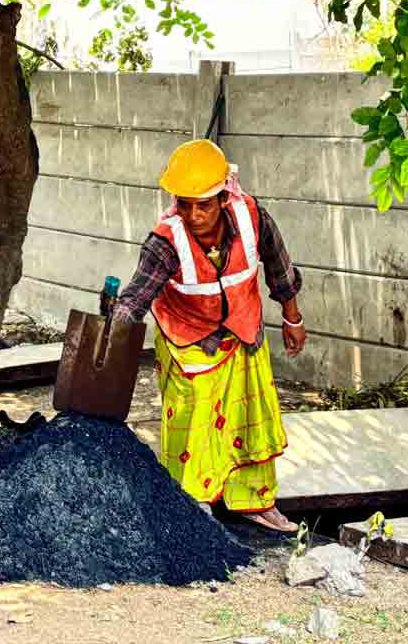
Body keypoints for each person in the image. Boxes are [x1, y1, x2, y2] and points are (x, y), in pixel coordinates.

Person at [111, 139, 306, 532]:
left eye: (203, 205)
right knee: (193, 424)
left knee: (251, 420)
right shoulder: (165, 241)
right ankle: (191, 506)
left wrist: (292, 318)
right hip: (189, 342)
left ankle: (254, 502)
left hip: (244, 333)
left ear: (223, 196)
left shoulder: (252, 217)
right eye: (184, 204)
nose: (193, 214)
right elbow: (135, 296)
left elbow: (279, 268)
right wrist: (111, 335)